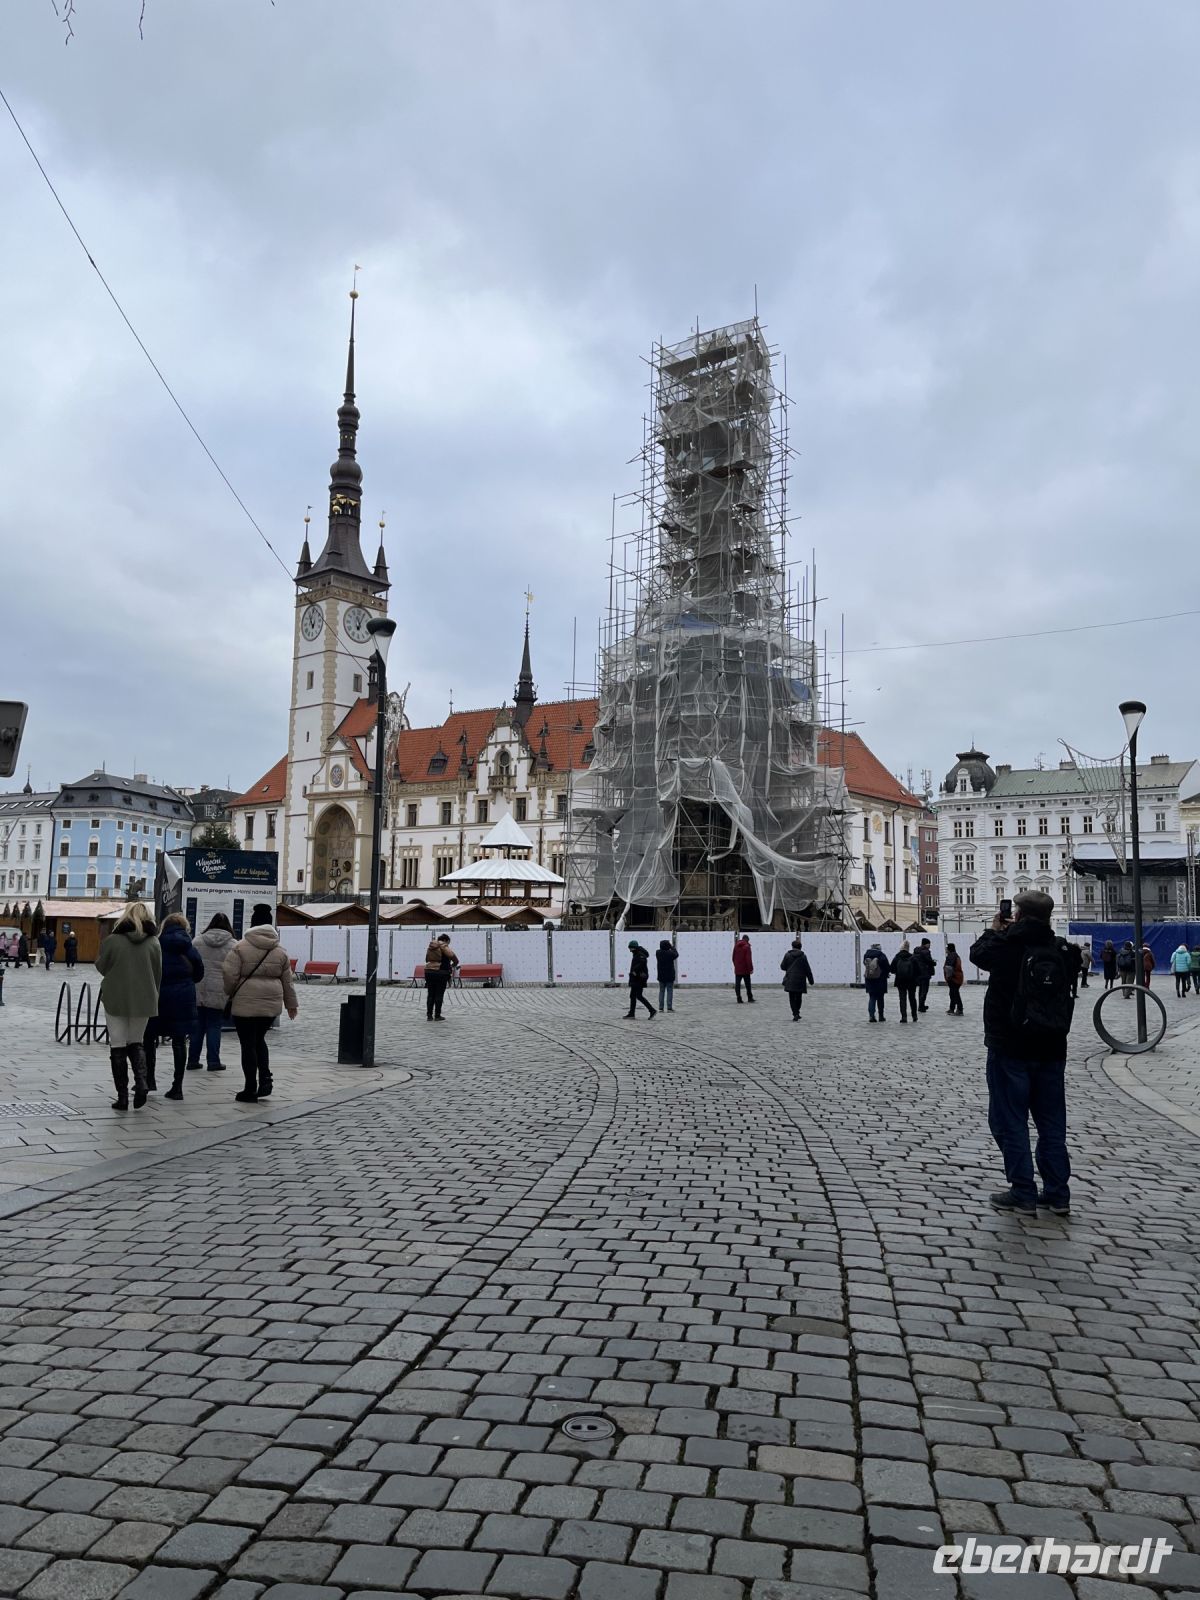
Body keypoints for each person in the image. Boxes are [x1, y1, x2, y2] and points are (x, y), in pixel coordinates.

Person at [969, 889, 1074, 1217]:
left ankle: (1023, 1191)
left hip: (1010, 1047)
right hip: (1052, 1049)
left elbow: (977, 954)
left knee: (1009, 1120)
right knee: (1052, 1123)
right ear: (1048, 916)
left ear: (1017, 914)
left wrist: (997, 929)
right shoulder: (1062, 950)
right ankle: (1058, 1194)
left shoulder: (1006, 946)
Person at [223, 903, 299, 1102]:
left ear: (252, 924)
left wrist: (230, 993)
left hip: (245, 1003)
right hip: (270, 1005)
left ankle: (250, 1088)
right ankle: (265, 1078)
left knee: (248, 1044)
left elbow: (230, 976)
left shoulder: (239, 947)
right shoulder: (280, 951)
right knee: (259, 1040)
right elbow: (287, 981)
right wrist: (291, 1004)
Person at [95, 903, 161, 1112]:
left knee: (117, 1045)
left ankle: (122, 1098)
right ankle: (141, 1083)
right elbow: (158, 973)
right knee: (136, 1042)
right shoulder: (154, 942)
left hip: (116, 997)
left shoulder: (112, 941)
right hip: (144, 998)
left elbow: (102, 966)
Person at [152, 913, 205, 1101]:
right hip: (183, 996)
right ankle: (177, 1086)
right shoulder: (188, 947)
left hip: (159, 995)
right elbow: (199, 973)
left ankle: (149, 1079)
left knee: (149, 1037)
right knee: (179, 1041)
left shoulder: (157, 945)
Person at [189, 913, 236, 1070]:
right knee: (214, 1025)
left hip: (198, 987)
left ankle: (192, 1060)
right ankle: (213, 1061)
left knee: (198, 1026)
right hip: (219, 989)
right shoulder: (234, 945)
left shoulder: (197, 941)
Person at [423, 933, 459, 1020]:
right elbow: (452, 955)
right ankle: (437, 1015)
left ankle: (429, 1015)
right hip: (441, 973)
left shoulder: (431, 947)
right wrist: (455, 962)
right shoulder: (443, 945)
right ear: (446, 940)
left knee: (431, 994)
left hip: (429, 971)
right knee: (439, 994)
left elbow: (427, 959)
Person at [780, 936, 815, 1021]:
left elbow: (782, 966)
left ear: (792, 946)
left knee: (791, 997)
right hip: (800, 979)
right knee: (799, 997)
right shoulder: (803, 956)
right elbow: (807, 969)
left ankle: (795, 1013)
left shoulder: (787, 955)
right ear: (800, 947)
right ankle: (797, 1012)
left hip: (790, 978)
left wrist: (788, 968)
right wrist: (811, 980)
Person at [624, 940, 656, 1019]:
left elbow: (642, 963)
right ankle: (632, 1013)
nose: (629, 950)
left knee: (638, 996)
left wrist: (635, 971)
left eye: (630, 948)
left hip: (638, 978)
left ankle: (651, 1010)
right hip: (637, 978)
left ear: (633, 948)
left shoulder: (640, 955)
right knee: (633, 996)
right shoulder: (637, 953)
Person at [892, 941, 920, 1023]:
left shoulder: (897, 957)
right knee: (912, 998)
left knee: (902, 999)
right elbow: (918, 970)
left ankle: (904, 1017)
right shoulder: (912, 957)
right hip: (911, 981)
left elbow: (892, 969)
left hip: (900, 981)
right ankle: (914, 1016)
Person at [863, 941, 890, 1021]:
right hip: (880, 979)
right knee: (880, 998)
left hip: (869, 979)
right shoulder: (881, 955)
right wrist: (886, 974)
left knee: (872, 997)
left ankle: (871, 1016)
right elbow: (887, 967)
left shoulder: (866, 955)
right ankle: (881, 1016)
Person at [655, 938, 679, 1013]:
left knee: (661, 991)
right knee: (669, 991)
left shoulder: (658, 953)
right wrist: (672, 946)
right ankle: (669, 1008)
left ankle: (661, 1008)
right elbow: (676, 954)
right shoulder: (670, 953)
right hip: (669, 975)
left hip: (661, 975)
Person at [913, 938, 937, 1012]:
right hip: (925, 973)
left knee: (920, 990)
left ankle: (921, 1005)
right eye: (929, 944)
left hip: (918, 973)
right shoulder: (926, 952)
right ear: (926, 944)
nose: (929, 945)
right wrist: (934, 962)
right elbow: (929, 961)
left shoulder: (916, 951)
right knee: (924, 990)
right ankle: (921, 1006)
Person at [732, 935, 755, 1003]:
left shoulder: (736, 946)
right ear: (747, 940)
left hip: (738, 969)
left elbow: (733, 957)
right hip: (745, 969)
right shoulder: (747, 947)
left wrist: (736, 965)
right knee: (748, 984)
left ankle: (739, 998)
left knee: (737, 984)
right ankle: (750, 998)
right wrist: (751, 969)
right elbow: (748, 959)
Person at [944, 943, 965, 1014]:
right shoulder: (955, 955)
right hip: (957, 977)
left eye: (947, 948)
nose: (946, 950)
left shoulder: (951, 956)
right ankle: (952, 1008)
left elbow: (949, 967)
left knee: (955, 993)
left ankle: (959, 1009)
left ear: (949, 949)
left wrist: (948, 977)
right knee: (952, 993)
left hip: (954, 978)